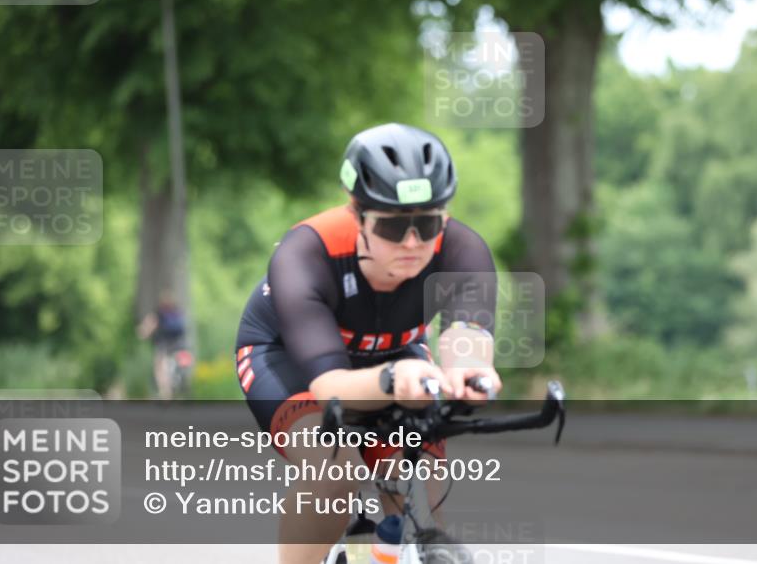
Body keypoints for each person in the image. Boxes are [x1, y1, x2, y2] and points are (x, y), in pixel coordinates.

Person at [235, 123, 502, 564]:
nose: (414, 243)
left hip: (395, 352)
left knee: (418, 481)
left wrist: (469, 374)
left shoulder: (462, 251)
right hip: (291, 359)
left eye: (428, 223)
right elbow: (329, 387)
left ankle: (379, 552)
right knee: (331, 469)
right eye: (394, 229)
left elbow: (465, 341)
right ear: (357, 215)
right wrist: (393, 378)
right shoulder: (305, 253)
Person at [137, 290, 187, 399]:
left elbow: (145, 330)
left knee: (159, 368)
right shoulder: (177, 311)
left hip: (164, 346)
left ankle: (165, 394)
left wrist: (142, 333)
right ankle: (177, 386)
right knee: (179, 366)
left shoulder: (158, 314)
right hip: (180, 345)